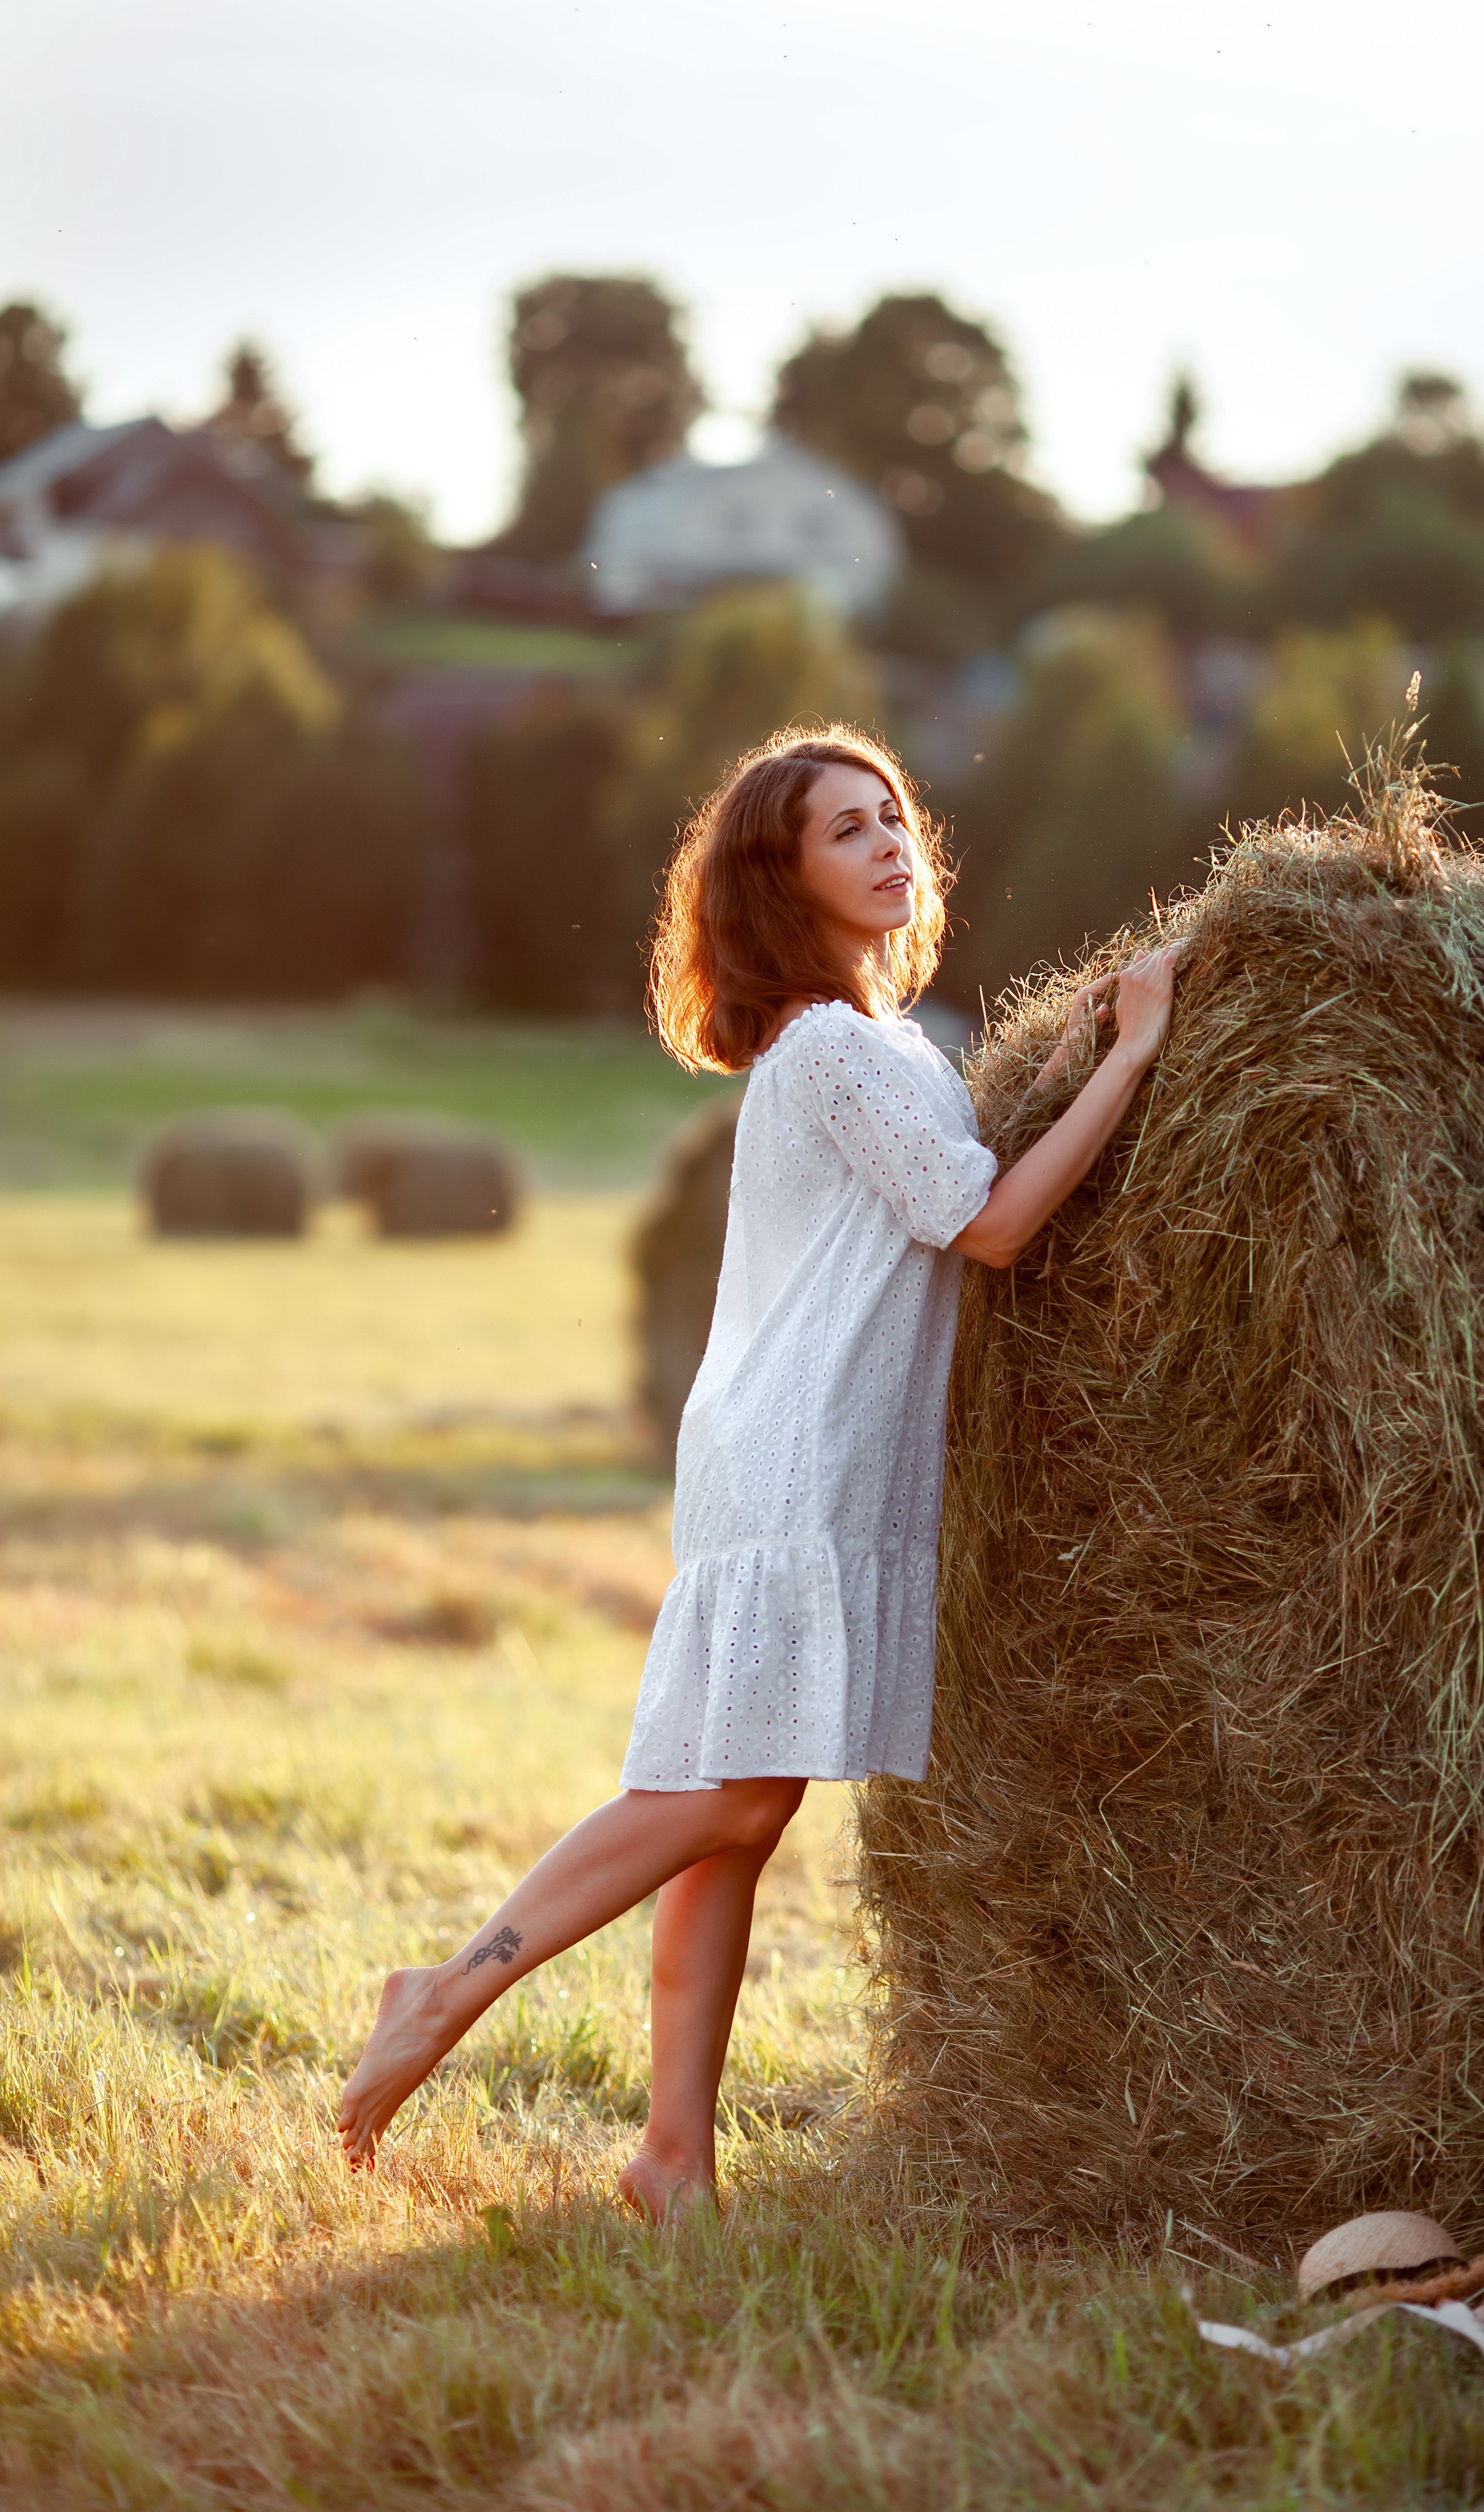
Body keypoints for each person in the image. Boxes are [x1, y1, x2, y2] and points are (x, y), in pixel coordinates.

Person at [337, 725, 1178, 2212]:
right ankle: (444, 1989)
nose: (888, 843)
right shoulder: (832, 1046)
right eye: (845, 830)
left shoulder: (880, 1045)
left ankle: (672, 2155)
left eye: (891, 816)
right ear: (782, 882)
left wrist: (1057, 1069)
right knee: (721, 1803)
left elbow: (961, 1169)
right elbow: (990, 1226)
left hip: (788, 1447)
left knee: (733, 1814)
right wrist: (1130, 1054)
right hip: (804, 1457)